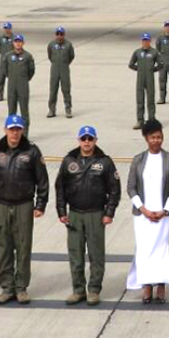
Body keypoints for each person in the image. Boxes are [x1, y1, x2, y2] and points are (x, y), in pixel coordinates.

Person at [0, 114, 48, 305]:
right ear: (5, 130)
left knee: (23, 247)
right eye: (12, 129)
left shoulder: (32, 152)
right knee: (3, 247)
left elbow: (42, 181)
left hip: (24, 205)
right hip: (1, 205)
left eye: (18, 129)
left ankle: (21, 288)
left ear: (23, 131)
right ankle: (7, 287)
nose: (15, 133)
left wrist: (40, 204)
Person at [56, 125, 121, 306]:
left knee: (96, 255)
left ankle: (93, 290)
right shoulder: (69, 160)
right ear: (78, 140)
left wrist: (109, 213)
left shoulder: (105, 162)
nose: (86, 142)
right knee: (75, 254)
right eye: (83, 139)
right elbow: (60, 187)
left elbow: (115, 189)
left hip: (96, 214)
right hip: (75, 214)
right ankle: (78, 290)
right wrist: (61, 211)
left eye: (90, 139)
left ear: (95, 141)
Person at [126, 119, 169, 304]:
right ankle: (147, 285)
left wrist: (164, 210)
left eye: (159, 137)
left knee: (160, 247)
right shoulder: (138, 160)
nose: (156, 141)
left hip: (163, 214)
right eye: (152, 137)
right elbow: (131, 187)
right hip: (143, 215)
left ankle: (161, 285)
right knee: (144, 248)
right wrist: (143, 209)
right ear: (146, 138)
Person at [5, 34, 36, 136]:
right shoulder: (8, 56)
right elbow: (5, 71)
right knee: (11, 112)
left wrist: (24, 79)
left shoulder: (27, 56)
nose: (18, 43)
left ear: (23, 43)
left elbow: (31, 71)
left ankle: (25, 134)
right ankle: (11, 134)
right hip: (11, 86)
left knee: (24, 112)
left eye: (19, 41)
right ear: (13, 43)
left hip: (23, 86)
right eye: (16, 41)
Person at [129, 33, 160, 129]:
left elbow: (161, 64)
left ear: (150, 41)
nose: (145, 42)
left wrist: (152, 69)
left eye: (147, 40)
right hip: (140, 79)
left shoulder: (154, 52)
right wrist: (139, 69)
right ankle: (140, 120)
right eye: (143, 40)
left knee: (150, 100)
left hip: (150, 79)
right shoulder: (137, 52)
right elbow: (131, 64)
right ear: (141, 41)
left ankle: (151, 120)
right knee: (140, 100)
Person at [47, 26, 75, 119]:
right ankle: (52, 109)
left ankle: (68, 109)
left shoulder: (68, 45)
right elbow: (50, 56)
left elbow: (71, 56)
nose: (59, 36)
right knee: (53, 90)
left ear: (64, 35)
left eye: (61, 34)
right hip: (54, 69)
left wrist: (65, 63)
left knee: (66, 90)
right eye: (57, 34)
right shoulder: (51, 44)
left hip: (64, 69)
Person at [0, 22, 16, 102]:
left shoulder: (15, 38)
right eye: (5, 28)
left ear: (11, 29)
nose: (7, 30)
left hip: (12, 61)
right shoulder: (0, 38)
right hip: (3, 60)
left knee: (13, 78)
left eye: (8, 28)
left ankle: (14, 93)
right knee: (1, 77)